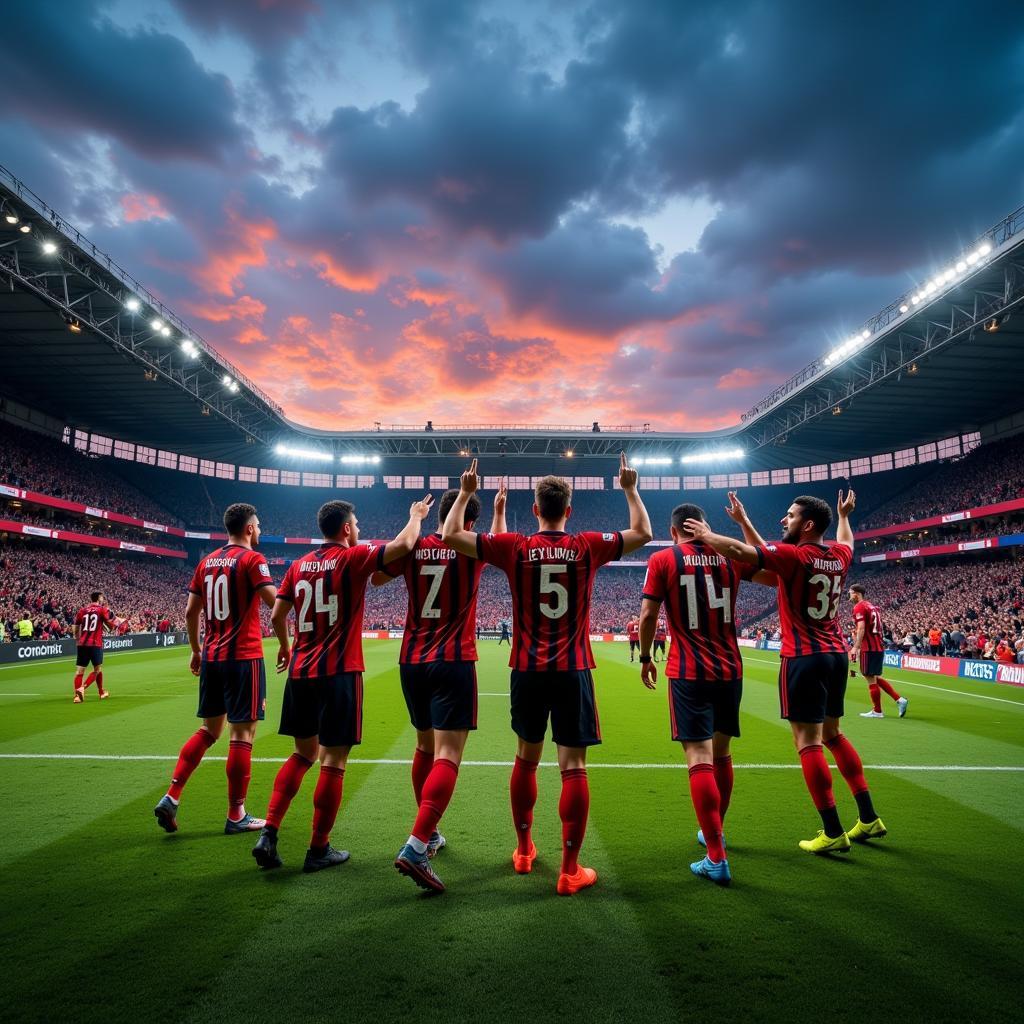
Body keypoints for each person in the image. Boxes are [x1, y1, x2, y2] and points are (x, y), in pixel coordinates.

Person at [442, 454, 652, 895]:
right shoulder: (587, 545)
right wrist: (630, 488)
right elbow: (644, 533)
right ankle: (570, 870)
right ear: (568, 511)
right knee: (572, 766)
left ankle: (523, 851)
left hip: (526, 668)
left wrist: (466, 493)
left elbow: (450, 535)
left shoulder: (514, 546)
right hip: (573, 668)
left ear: (535, 509)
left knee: (526, 758)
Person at [685, 490, 888, 854]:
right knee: (834, 735)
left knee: (807, 742)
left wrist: (705, 535)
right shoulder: (838, 555)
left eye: (790, 516)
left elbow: (741, 553)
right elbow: (846, 539)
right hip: (836, 654)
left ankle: (831, 831)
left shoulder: (796, 556)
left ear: (807, 525)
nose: (784, 519)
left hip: (804, 657)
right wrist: (843, 516)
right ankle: (869, 817)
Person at [252, 496, 433, 874]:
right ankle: (318, 847)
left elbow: (276, 614)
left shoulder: (298, 565)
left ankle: (269, 831)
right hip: (339, 673)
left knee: (303, 755)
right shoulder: (353, 558)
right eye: (358, 524)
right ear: (347, 528)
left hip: (301, 673)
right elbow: (402, 545)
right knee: (333, 759)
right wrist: (415, 516)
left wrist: (287, 646)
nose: (361, 530)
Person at [638, 498, 774, 885]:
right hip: (730, 668)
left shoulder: (663, 560)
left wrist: (646, 655)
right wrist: (744, 523)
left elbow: (648, 615)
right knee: (722, 753)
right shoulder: (730, 556)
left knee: (698, 756)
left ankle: (716, 854)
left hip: (688, 669)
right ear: (705, 526)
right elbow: (775, 572)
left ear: (673, 531)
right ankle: (717, 831)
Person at [378, 483, 505, 893]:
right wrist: (499, 512)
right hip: (453, 659)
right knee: (448, 752)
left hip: (412, 659)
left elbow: (378, 576)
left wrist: (412, 521)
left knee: (423, 747)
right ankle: (417, 844)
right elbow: (501, 547)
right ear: (471, 521)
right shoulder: (468, 545)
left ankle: (429, 835)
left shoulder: (412, 545)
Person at [154, 503, 288, 836]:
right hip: (243, 658)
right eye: (257, 525)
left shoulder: (206, 562)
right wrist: (289, 637)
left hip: (212, 657)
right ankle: (236, 814)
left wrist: (196, 651)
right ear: (248, 528)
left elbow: (189, 613)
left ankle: (172, 796)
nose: (258, 530)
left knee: (209, 731)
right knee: (242, 734)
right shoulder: (253, 560)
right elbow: (275, 603)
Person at [849, 583, 908, 719]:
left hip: (868, 648)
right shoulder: (871, 606)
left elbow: (862, 628)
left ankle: (877, 711)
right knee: (873, 676)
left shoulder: (859, 607)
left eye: (851, 593)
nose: (849, 596)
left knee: (869, 678)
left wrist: (855, 647)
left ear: (857, 594)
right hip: (877, 646)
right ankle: (899, 700)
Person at [72, 591, 119, 702]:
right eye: (102, 597)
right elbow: (110, 625)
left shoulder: (82, 610)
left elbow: (75, 626)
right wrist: (115, 624)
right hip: (95, 643)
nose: (103, 599)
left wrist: (77, 639)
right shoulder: (102, 609)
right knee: (97, 669)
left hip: (82, 644)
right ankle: (82, 688)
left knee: (79, 672)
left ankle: (79, 696)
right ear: (98, 598)